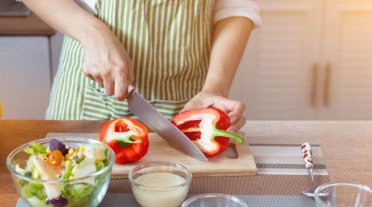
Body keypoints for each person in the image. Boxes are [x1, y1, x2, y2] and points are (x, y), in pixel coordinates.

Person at [23, 0, 261, 131]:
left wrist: (215, 88)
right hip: (87, 96)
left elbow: (237, 6)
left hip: (189, 99)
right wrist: (92, 33)